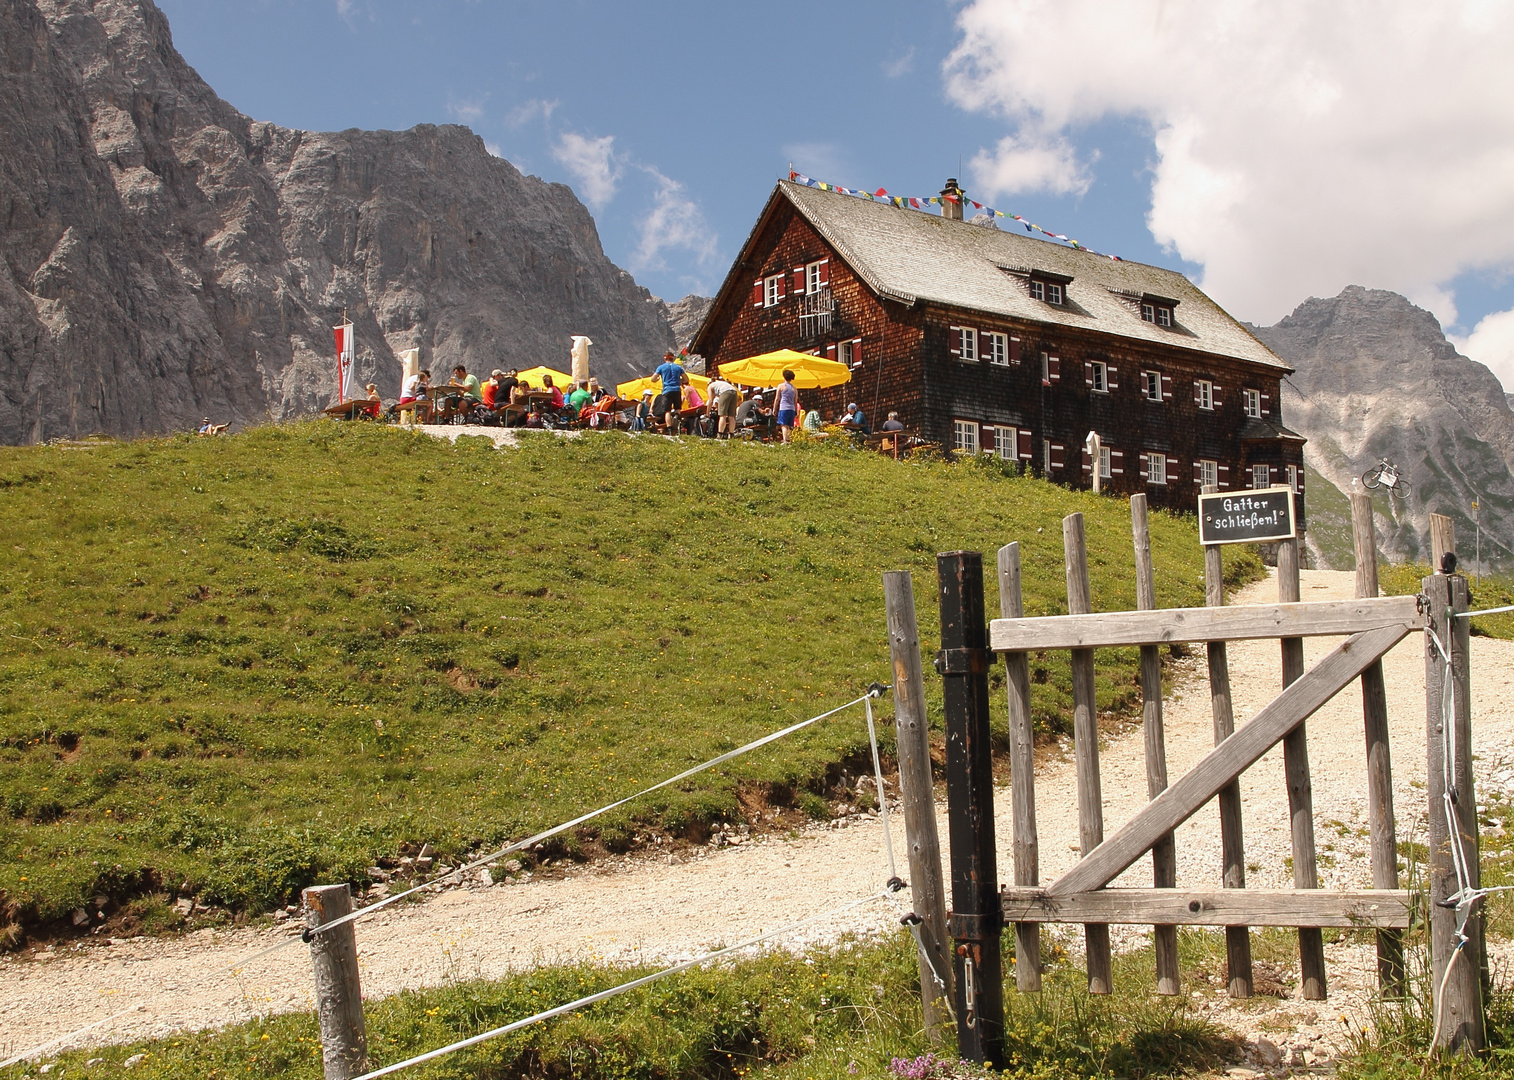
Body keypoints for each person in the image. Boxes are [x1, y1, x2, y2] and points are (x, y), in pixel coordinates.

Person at [654, 351, 686, 434]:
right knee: (678, 408)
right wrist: (679, 381)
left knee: (667, 411)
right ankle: (676, 416)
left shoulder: (661, 367)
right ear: (673, 358)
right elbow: (686, 379)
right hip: (677, 389)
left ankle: (670, 429)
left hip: (667, 390)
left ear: (665, 358)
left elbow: (653, 379)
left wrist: (658, 379)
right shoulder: (678, 368)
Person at [707, 374, 738, 439]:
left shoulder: (710, 386)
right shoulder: (719, 383)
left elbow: (710, 400)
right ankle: (731, 434)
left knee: (722, 415)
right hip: (734, 391)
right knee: (731, 416)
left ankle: (720, 434)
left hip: (725, 392)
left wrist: (707, 412)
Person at [774, 369, 799, 443]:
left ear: (784, 377)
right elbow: (795, 401)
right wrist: (796, 411)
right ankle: (789, 439)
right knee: (789, 426)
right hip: (792, 409)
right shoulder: (794, 389)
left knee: (783, 425)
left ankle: (785, 440)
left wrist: (774, 409)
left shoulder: (781, 386)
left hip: (783, 408)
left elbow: (777, 398)